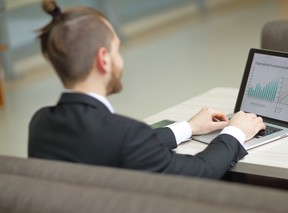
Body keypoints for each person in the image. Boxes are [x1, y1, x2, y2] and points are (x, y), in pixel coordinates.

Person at [28, 0, 265, 179]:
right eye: (116, 50)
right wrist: (236, 132)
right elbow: (198, 173)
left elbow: (125, 147)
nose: (120, 60)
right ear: (103, 59)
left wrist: (188, 127)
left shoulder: (41, 124)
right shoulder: (125, 134)